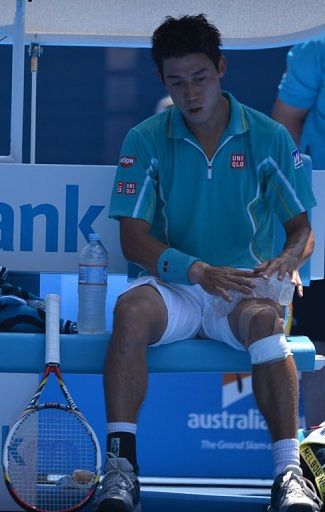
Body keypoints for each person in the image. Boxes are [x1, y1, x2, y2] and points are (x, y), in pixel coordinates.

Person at [93, 14, 322, 512]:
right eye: (176, 82)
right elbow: (133, 240)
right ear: (162, 82)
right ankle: (121, 470)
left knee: (266, 323)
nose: (190, 93)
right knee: (128, 312)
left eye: (200, 78)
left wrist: (286, 260)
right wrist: (196, 271)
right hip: (175, 285)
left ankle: (288, 474)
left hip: (241, 287)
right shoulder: (145, 139)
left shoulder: (269, 138)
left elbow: (301, 230)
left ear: (221, 68)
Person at [272, 36, 325, 428]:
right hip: (320, 200)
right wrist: (292, 198)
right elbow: (284, 127)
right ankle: (319, 454)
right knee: (320, 337)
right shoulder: (316, 49)